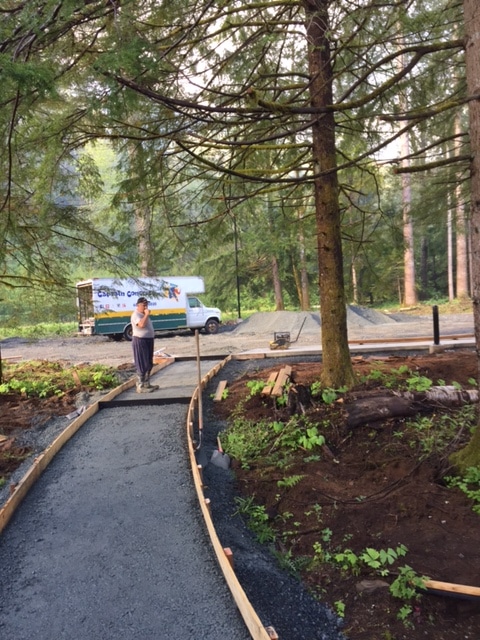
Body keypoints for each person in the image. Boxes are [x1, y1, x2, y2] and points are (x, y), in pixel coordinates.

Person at [131, 297, 159, 393]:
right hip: (140, 340)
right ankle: (140, 386)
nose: (145, 307)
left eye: (146, 305)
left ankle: (147, 383)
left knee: (148, 362)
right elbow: (141, 325)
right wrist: (146, 314)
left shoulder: (143, 314)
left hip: (148, 340)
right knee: (142, 363)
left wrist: (146, 314)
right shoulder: (136, 315)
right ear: (138, 305)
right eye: (144, 305)